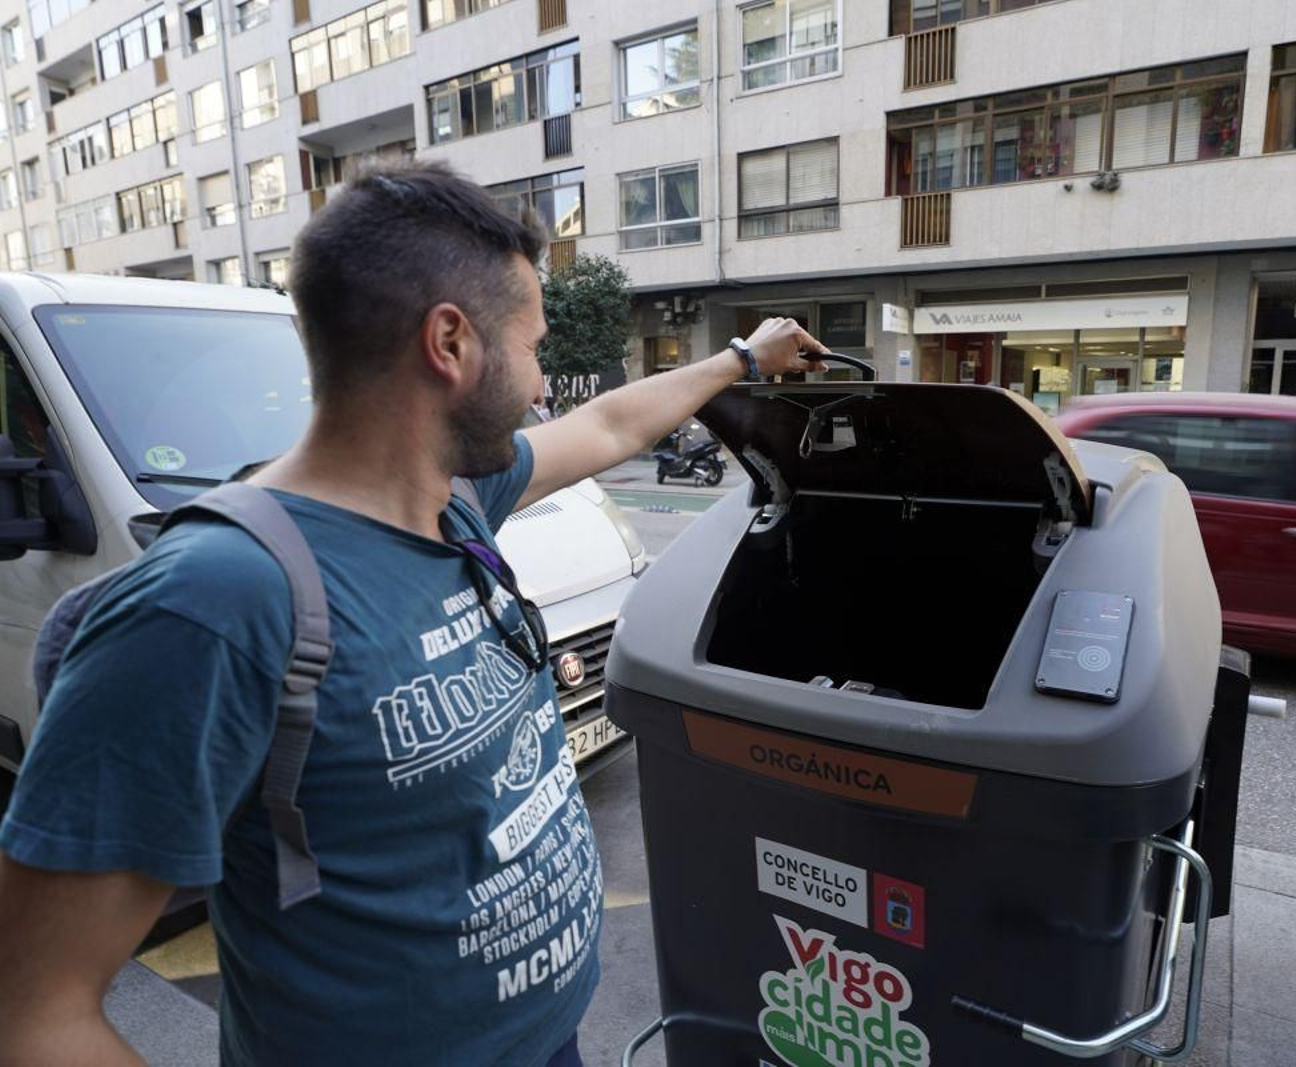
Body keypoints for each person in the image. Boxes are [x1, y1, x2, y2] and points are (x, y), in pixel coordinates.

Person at [0, 162, 825, 1067]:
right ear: (450, 343)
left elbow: (609, 430)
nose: (543, 382)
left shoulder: (453, 494)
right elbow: (36, 1014)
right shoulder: (213, 604)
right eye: (533, 345)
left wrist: (742, 360)